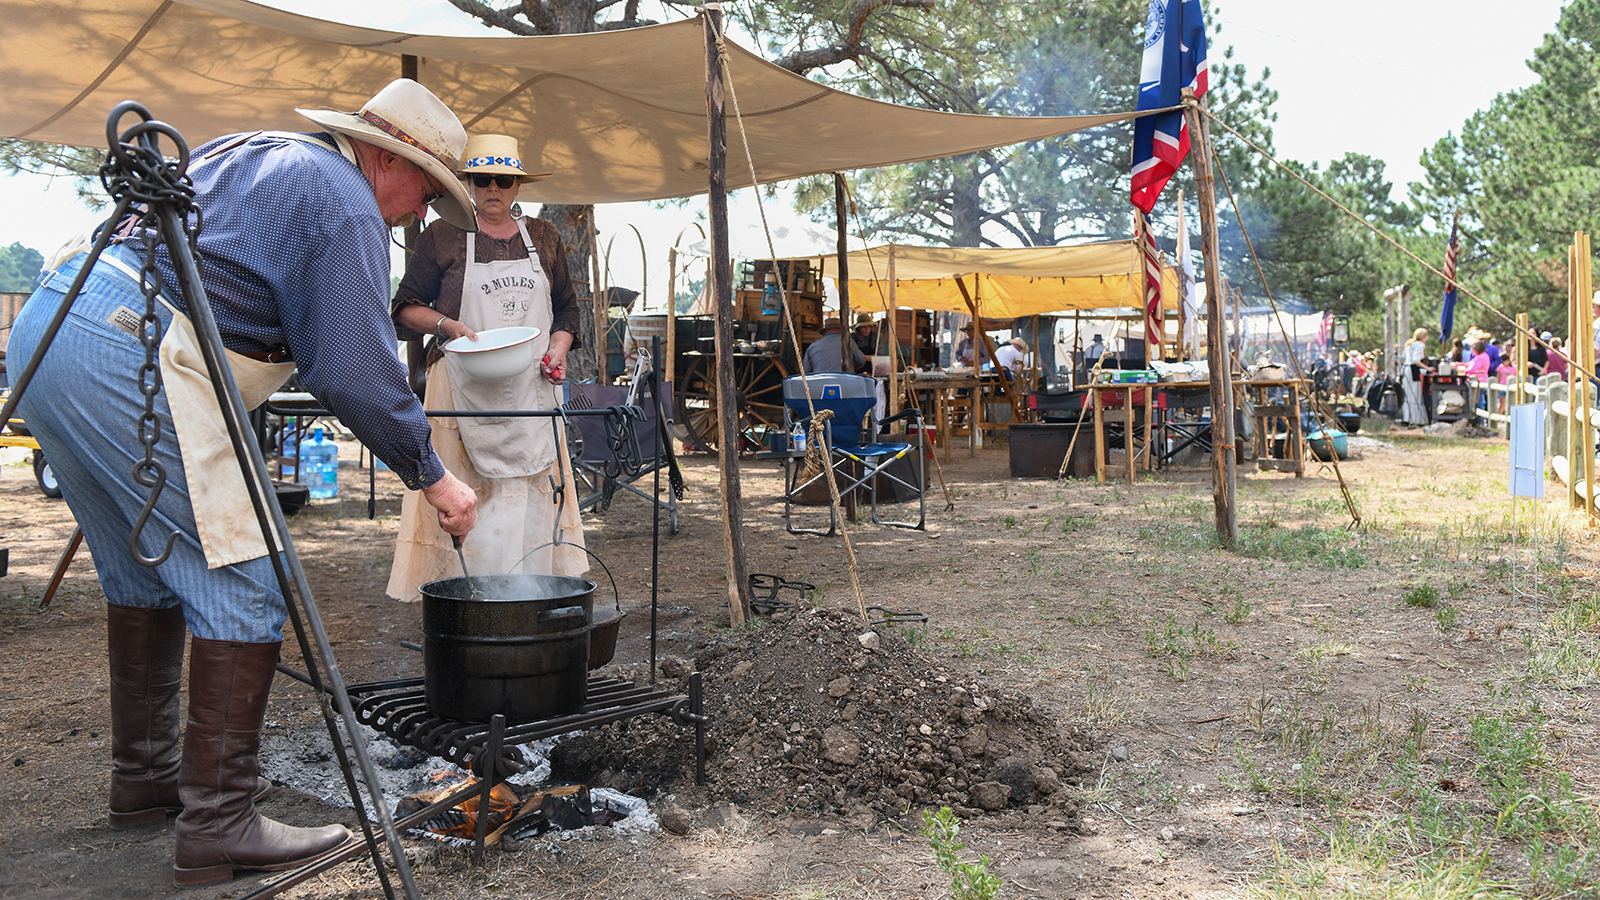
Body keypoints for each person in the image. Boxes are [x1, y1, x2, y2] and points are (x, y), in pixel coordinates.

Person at [4, 79, 479, 885]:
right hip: (138, 348)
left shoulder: (254, 148)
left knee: (146, 569)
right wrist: (433, 476)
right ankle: (219, 824)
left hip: (57, 325)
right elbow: (352, 367)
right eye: (426, 193)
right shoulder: (346, 200)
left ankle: (146, 782)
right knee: (248, 577)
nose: (418, 214)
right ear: (389, 161)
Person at [387, 134, 587, 601]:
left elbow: (568, 312)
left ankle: (529, 590)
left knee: (527, 495)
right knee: (460, 493)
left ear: (517, 186)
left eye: (504, 180)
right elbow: (403, 308)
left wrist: (558, 347)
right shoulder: (442, 235)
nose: (492, 189)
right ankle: (460, 599)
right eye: (482, 180)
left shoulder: (545, 237)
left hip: (530, 390)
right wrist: (445, 325)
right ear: (469, 184)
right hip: (458, 389)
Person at [804, 316, 868, 373]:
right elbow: (862, 360)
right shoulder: (848, 342)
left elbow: (806, 370)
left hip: (820, 383)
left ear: (824, 332)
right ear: (841, 330)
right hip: (845, 382)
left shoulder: (813, 346)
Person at [1400, 327, 1432, 425]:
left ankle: (1406, 417)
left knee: (1407, 394)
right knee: (1414, 394)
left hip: (1406, 370)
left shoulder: (1409, 344)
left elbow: (1403, 357)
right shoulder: (1419, 345)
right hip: (1412, 371)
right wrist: (1428, 368)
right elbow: (1415, 360)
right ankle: (1415, 419)